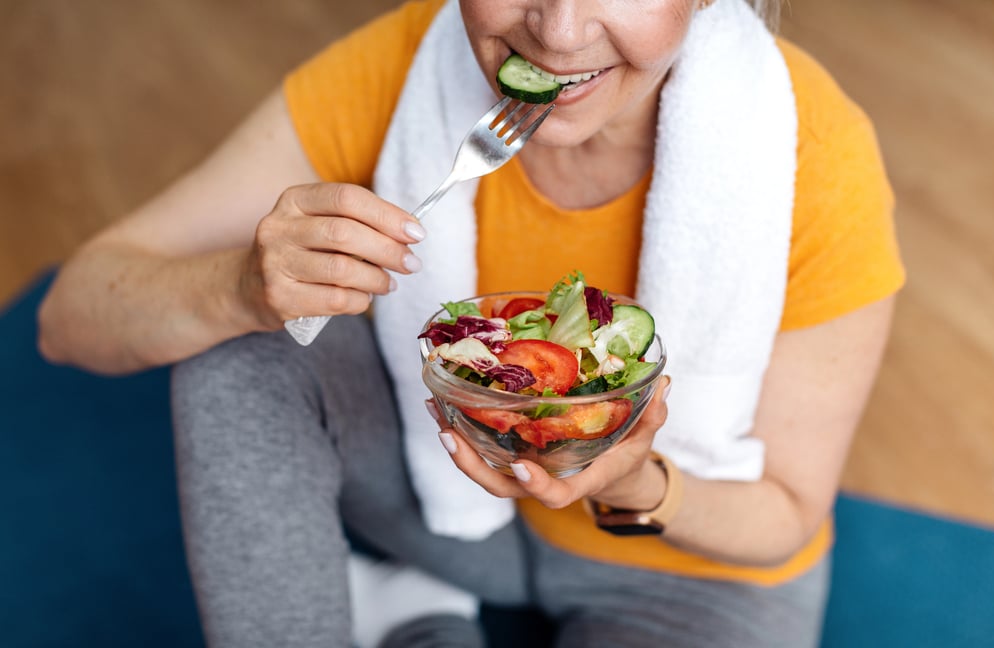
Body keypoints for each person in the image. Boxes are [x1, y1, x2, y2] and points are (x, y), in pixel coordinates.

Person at [37, 0, 904, 646]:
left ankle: (417, 621)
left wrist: (628, 481)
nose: (558, 32)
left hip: (684, 575)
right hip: (446, 503)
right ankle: (421, 600)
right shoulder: (404, 66)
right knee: (237, 355)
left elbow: (786, 515)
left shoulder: (813, 153)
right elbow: (69, 317)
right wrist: (240, 289)